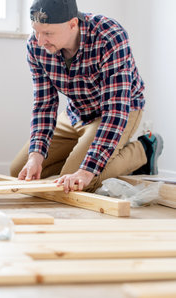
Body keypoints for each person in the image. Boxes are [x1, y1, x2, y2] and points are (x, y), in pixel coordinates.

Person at [10, 0, 163, 193]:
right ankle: (82, 153)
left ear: (73, 24)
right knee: (20, 170)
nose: (40, 41)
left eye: (48, 33)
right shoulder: (36, 45)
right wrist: (36, 156)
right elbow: (44, 105)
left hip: (119, 111)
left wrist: (86, 171)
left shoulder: (109, 36)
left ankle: (144, 150)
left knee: (79, 181)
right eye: (36, 31)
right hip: (76, 113)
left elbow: (115, 112)